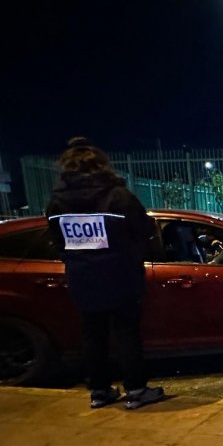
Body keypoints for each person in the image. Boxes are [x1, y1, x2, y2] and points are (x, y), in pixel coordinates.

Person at [46, 137, 166, 410]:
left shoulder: (56, 202)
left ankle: (99, 392)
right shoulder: (118, 197)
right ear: (101, 165)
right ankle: (136, 391)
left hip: (82, 277)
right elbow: (144, 229)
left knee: (92, 335)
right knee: (126, 334)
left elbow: (56, 241)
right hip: (120, 275)